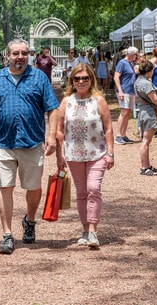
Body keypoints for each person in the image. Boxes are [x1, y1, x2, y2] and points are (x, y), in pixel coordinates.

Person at [0, 38, 59, 255]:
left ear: (29, 55)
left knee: (33, 188)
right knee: (5, 187)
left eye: (24, 53)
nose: (20, 57)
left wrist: (51, 136)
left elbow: (52, 109)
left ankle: (30, 221)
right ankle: (7, 234)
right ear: (8, 56)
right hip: (4, 143)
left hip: (32, 142)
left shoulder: (39, 78)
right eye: (15, 53)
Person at [56, 63, 114, 248]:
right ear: (72, 81)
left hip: (97, 153)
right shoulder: (66, 102)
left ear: (91, 79)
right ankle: (84, 230)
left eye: (85, 78)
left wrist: (111, 153)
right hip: (74, 155)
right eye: (77, 78)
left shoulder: (99, 100)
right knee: (81, 193)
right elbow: (59, 130)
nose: (81, 81)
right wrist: (59, 155)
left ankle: (93, 231)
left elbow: (108, 127)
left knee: (93, 188)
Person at [134, 59, 157, 176]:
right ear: (149, 71)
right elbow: (155, 100)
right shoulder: (146, 83)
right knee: (146, 141)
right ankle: (145, 167)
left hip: (143, 112)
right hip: (149, 113)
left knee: (146, 140)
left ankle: (147, 165)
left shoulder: (138, 81)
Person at [113, 46, 138, 145]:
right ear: (132, 55)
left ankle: (123, 134)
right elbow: (116, 76)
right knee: (124, 112)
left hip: (130, 91)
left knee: (127, 113)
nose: (136, 56)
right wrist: (120, 91)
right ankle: (118, 135)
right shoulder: (122, 63)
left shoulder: (130, 64)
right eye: (135, 55)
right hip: (124, 90)